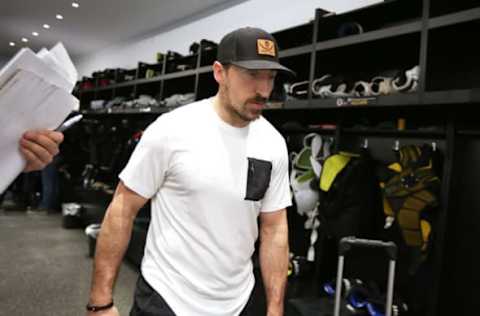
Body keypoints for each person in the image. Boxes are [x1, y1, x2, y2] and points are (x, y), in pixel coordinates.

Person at [86, 27, 294, 316]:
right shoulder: (172, 130)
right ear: (219, 73)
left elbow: (274, 228)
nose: (264, 89)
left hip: (238, 301)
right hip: (167, 298)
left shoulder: (272, 143)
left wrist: (275, 307)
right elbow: (122, 208)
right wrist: (100, 301)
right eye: (252, 75)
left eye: (270, 77)